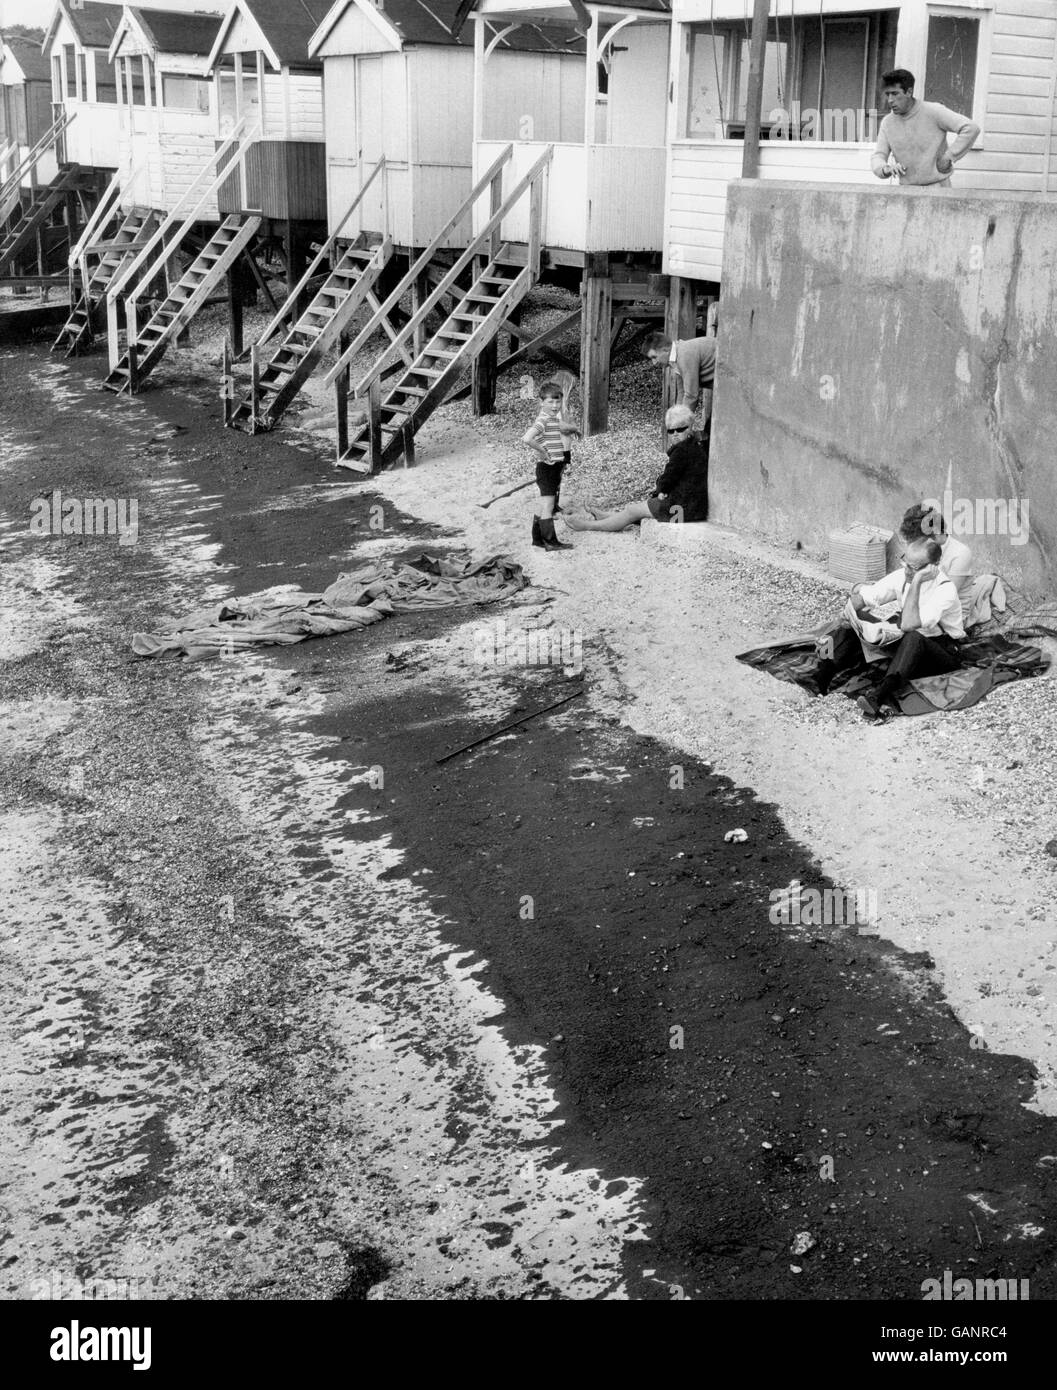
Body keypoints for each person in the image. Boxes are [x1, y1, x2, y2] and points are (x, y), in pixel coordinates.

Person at [814, 537, 966, 719]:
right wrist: (850, 612)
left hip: (941, 651)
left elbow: (909, 624)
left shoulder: (945, 590)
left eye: (914, 568)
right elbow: (867, 596)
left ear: (933, 566)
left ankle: (878, 696)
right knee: (852, 627)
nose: (907, 571)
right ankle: (821, 679)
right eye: (905, 563)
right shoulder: (903, 575)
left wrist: (917, 581)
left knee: (914, 637)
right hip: (907, 644)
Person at [565, 405, 708, 532]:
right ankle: (607, 517)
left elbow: (668, 477)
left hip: (681, 507)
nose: (675, 434)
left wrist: (660, 491)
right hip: (692, 507)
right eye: (671, 431)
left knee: (632, 510)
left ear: (690, 428)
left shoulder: (682, 451)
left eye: (680, 429)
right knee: (634, 509)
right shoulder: (694, 446)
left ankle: (588, 526)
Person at [871, 69, 980, 186]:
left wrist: (949, 157)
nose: (890, 100)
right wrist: (885, 169)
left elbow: (970, 128)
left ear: (909, 92)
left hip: (937, 188)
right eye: (887, 94)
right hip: (907, 191)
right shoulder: (887, 123)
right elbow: (879, 155)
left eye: (895, 93)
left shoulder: (933, 111)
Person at [522, 381, 579, 551]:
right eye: (550, 402)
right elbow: (527, 438)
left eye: (558, 401)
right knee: (548, 505)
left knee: (544, 504)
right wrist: (543, 451)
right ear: (541, 402)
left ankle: (537, 539)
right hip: (547, 467)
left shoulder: (552, 418)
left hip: (551, 467)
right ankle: (551, 542)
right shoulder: (544, 419)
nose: (555, 406)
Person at [898, 502, 972, 596]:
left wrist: (918, 579)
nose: (916, 545)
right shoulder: (919, 545)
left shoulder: (960, 554)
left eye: (919, 541)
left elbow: (946, 596)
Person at [643, 331, 717, 422]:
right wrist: (676, 418)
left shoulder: (684, 354)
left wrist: (681, 424)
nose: (654, 363)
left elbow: (691, 395)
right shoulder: (676, 357)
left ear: (665, 350)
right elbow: (682, 394)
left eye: (654, 357)